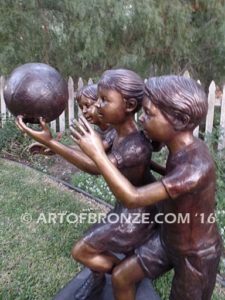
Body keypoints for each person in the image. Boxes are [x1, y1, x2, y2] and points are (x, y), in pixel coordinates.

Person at [16, 69, 163, 299]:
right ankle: (102, 279)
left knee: (82, 251)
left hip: (138, 215)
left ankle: (124, 276)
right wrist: (52, 148)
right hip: (126, 207)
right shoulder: (117, 133)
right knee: (96, 248)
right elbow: (95, 151)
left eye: (104, 100)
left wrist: (53, 143)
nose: (98, 106)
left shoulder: (136, 146)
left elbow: (97, 166)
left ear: (129, 105)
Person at [72, 75, 222, 300]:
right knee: (122, 277)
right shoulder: (181, 150)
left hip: (195, 254)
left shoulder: (195, 167)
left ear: (179, 120)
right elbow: (168, 178)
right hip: (167, 239)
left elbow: (133, 198)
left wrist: (97, 154)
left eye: (149, 114)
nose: (141, 119)